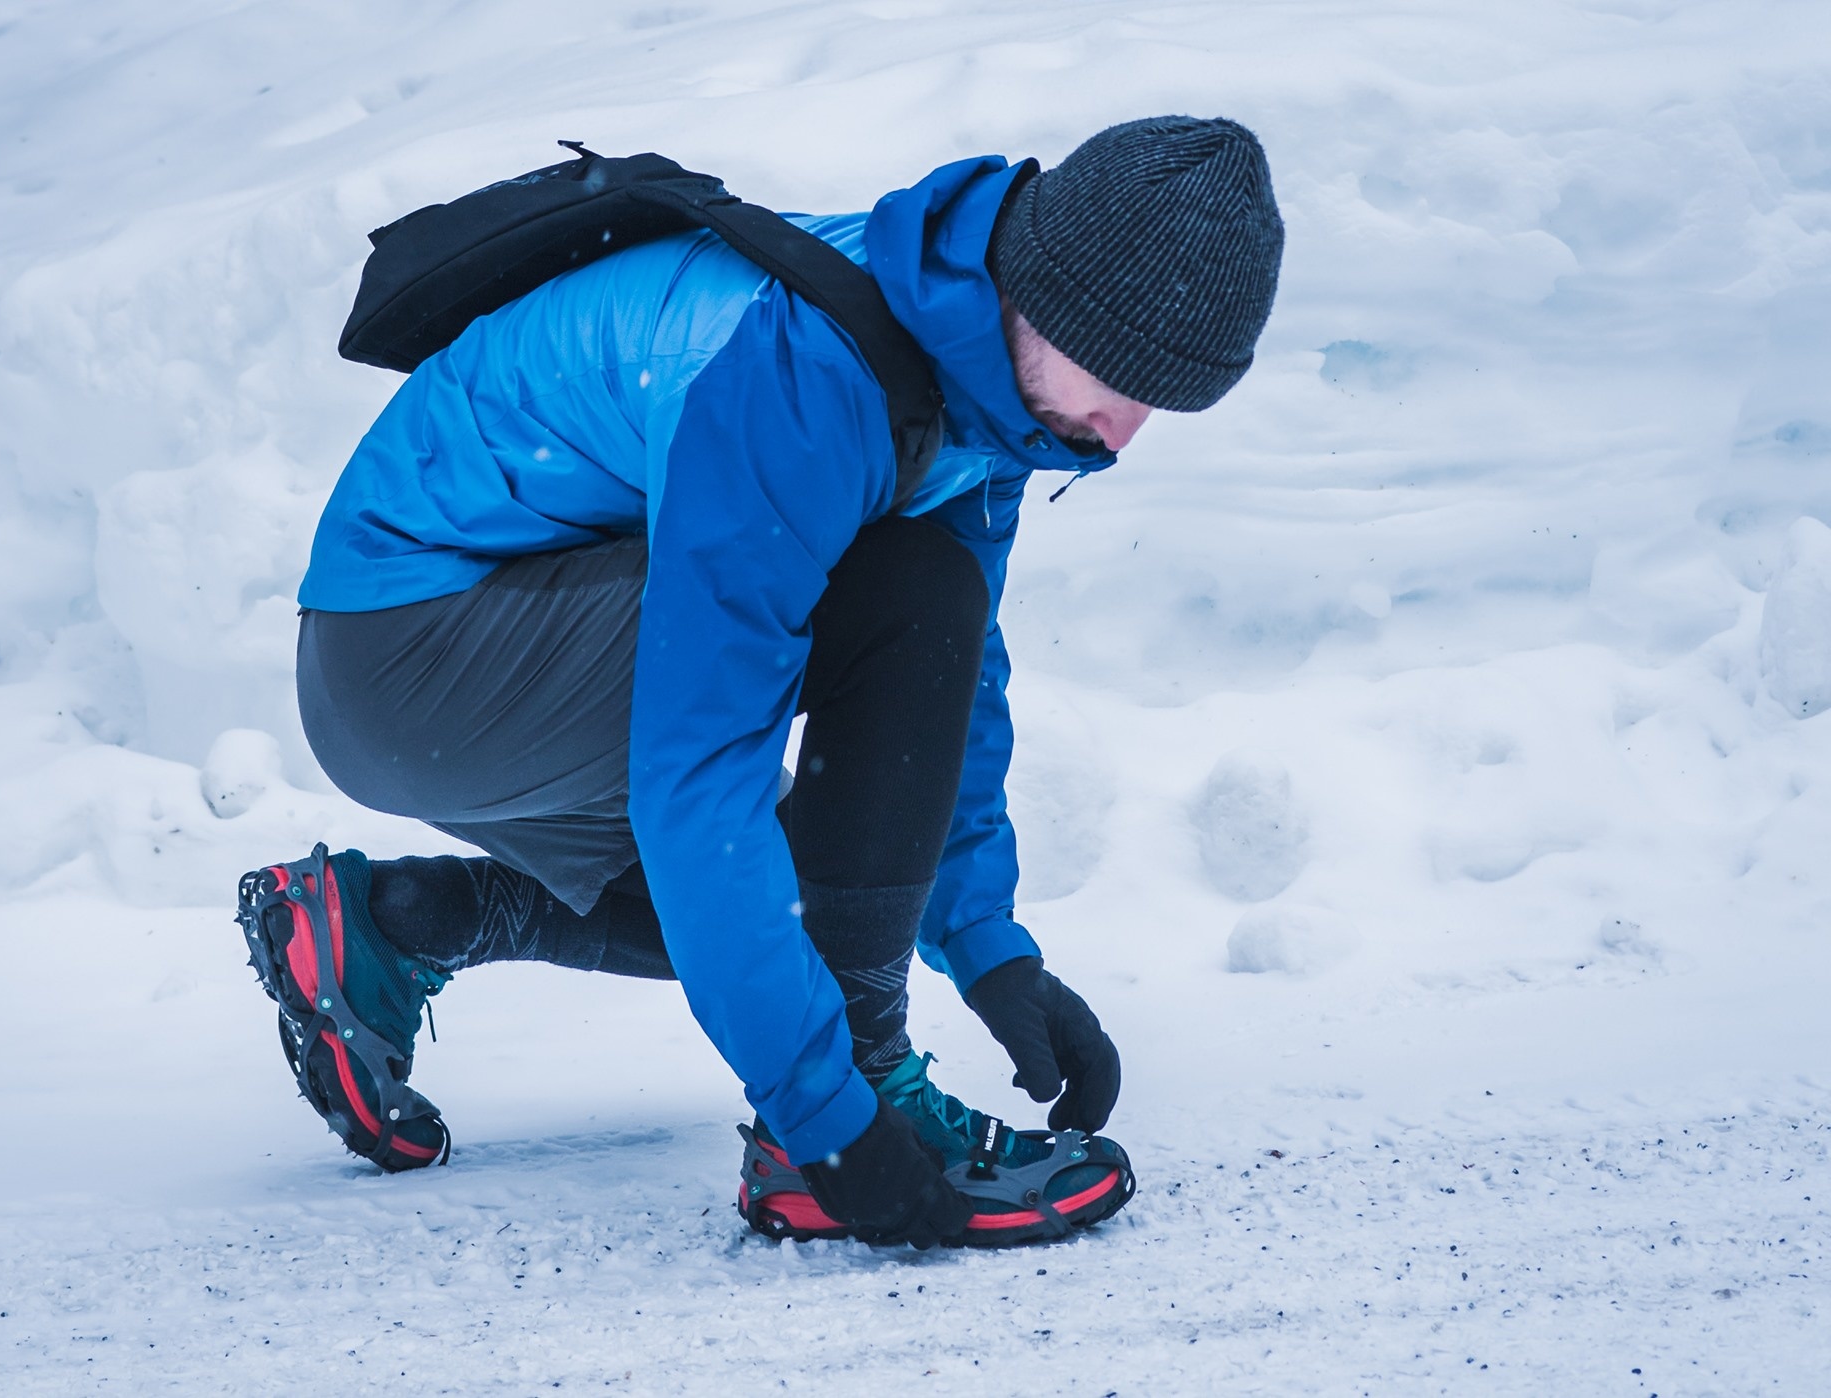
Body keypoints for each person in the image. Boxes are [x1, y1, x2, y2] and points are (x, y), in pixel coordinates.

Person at [235, 116, 1284, 1249]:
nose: (1120, 435)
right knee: (860, 688)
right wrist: (830, 1119)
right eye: (1121, 380)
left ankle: (394, 923)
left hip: (474, 664)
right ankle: (860, 1098)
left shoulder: (977, 383)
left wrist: (990, 952)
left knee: (796, 904)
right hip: (416, 657)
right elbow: (703, 767)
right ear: (1045, 294)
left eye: (1161, 408)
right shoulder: (811, 379)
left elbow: (949, 689)